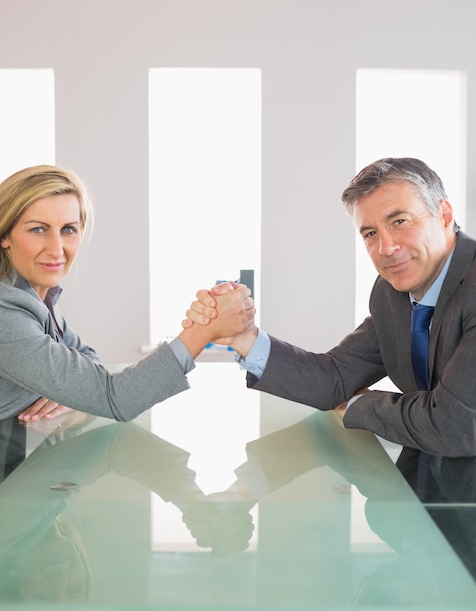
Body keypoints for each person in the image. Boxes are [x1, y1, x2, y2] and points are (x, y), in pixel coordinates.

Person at [185, 157, 476, 491]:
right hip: (427, 492)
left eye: (399, 221)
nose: (386, 248)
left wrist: (357, 405)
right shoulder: (391, 293)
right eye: (370, 233)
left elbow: (453, 425)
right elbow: (335, 377)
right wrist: (244, 338)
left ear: (444, 216)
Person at [0, 165, 254, 422]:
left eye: (68, 230)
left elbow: (92, 362)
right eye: (38, 229)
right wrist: (205, 330)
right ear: (4, 235)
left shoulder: (38, 298)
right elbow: (116, 397)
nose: (56, 249)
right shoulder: (6, 312)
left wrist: (69, 391)